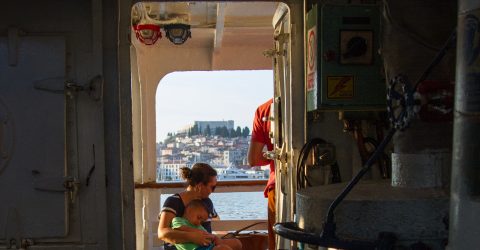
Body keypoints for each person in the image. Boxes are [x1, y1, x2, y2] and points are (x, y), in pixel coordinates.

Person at [158, 162, 242, 250]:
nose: (213, 191)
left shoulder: (207, 202)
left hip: (206, 245)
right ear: (200, 186)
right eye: (212, 187)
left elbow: (216, 221)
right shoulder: (174, 202)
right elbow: (162, 232)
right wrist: (191, 236)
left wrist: (218, 239)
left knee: (236, 243)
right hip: (185, 247)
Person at [247, 98, 276, 250]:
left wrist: (273, 155)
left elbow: (253, 159)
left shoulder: (264, 110)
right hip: (323, 183)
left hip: (278, 187)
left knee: (278, 241)